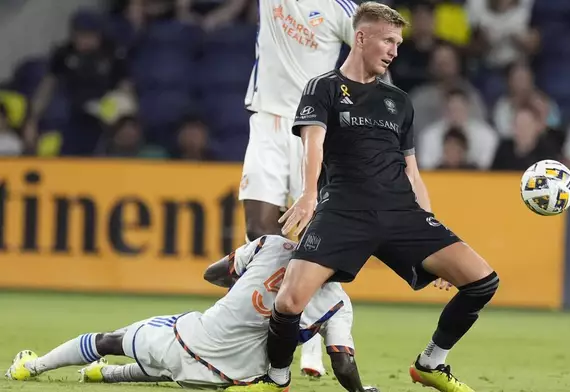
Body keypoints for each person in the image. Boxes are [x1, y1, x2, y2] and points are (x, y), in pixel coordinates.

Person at [234, 3, 500, 392]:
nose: (395, 50)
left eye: (399, 42)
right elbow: (313, 144)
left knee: (482, 281)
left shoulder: (398, 101)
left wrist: (434, 231)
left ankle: (431, 363)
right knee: (289, 301)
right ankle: (276, 379)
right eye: (388, 41)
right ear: (360, 38)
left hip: (400, 214)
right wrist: (309, 195)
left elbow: (413, 173)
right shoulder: (322, 88)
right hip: (343, 210)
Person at [6, 236, 378, 392]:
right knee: (170, 367)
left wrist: (246, 284)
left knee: (111, 340)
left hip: (190, 340)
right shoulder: (339, 303)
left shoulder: (273, 244)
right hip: (235, 379)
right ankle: (105, 375)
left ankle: (32, 367)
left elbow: (212, 274)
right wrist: (362, 391)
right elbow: (342, 366)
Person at [240, 0, 358, 377]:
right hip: (268, 118)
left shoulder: (342, 8)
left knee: (314, 240)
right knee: (259, 232)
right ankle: (305, 330)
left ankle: (309, 338)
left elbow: (370, 49)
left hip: (314, 128)